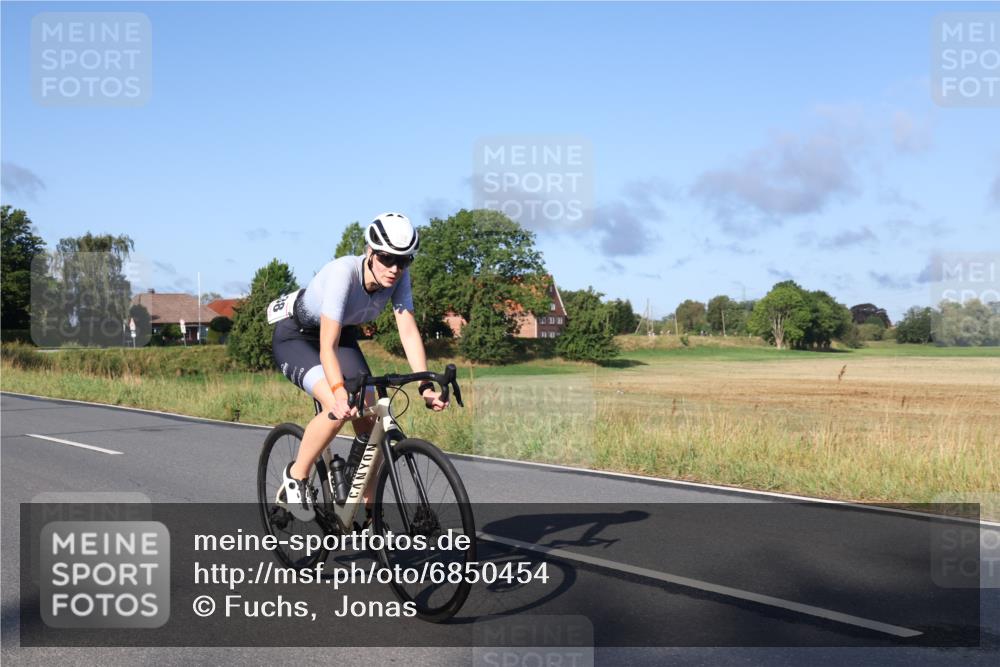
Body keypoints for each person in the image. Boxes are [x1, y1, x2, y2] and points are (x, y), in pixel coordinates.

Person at [271, 212, 448, 521]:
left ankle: (366, 511)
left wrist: (425, 387)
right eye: (387, 258)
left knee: (370, 416)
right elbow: (326, 346)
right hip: (298, 338)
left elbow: (408, 331)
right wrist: (339, 391)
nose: (394, 268)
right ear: (370, 252)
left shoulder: (398, 277)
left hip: (342, 337)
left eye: (403, 261)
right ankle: (296, 476)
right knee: (336, 404)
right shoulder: (343, 274)